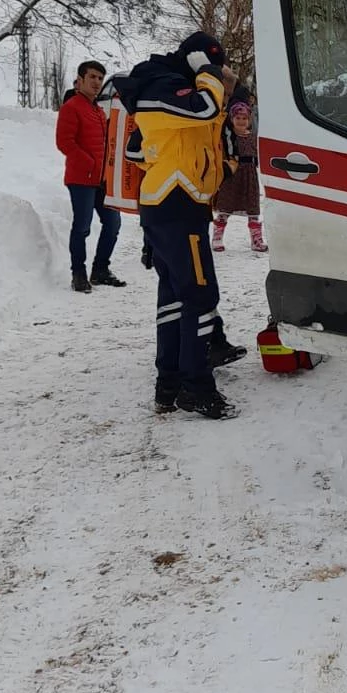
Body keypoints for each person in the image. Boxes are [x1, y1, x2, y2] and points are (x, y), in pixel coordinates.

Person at [116, 32, 237, 419]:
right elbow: (202, 108)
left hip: (173, 206)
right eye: (210, 64)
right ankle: (196, 388)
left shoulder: (161, 91)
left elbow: (137, 149)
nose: (214, 72)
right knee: (201, 298)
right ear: (197, 60)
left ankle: (168, 384)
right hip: (177, 206)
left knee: (174, 298)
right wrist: (208, 74)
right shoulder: (161, 86)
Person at [55, 59, 125, 293]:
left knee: (113, 223)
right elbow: (65, 142)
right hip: (81, 179)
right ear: (81, 79)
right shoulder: (72, 106)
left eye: (100, 78)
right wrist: (90, 162)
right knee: (82, 227)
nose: (97, 82)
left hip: (101, 179)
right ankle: (78, 273)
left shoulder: (96, 109)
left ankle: (100, 269)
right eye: (93, 77)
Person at [211, 90, 266, 253]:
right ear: (232, 119)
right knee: (225, 208)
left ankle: (256, 239)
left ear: (249, 120)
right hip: (232, 175)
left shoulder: (253, 137)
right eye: (238, 118)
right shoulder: (228, 137)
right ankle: (217, 238)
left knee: (253, 209)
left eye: (244, 118)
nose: (241, 121)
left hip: (249, 176)